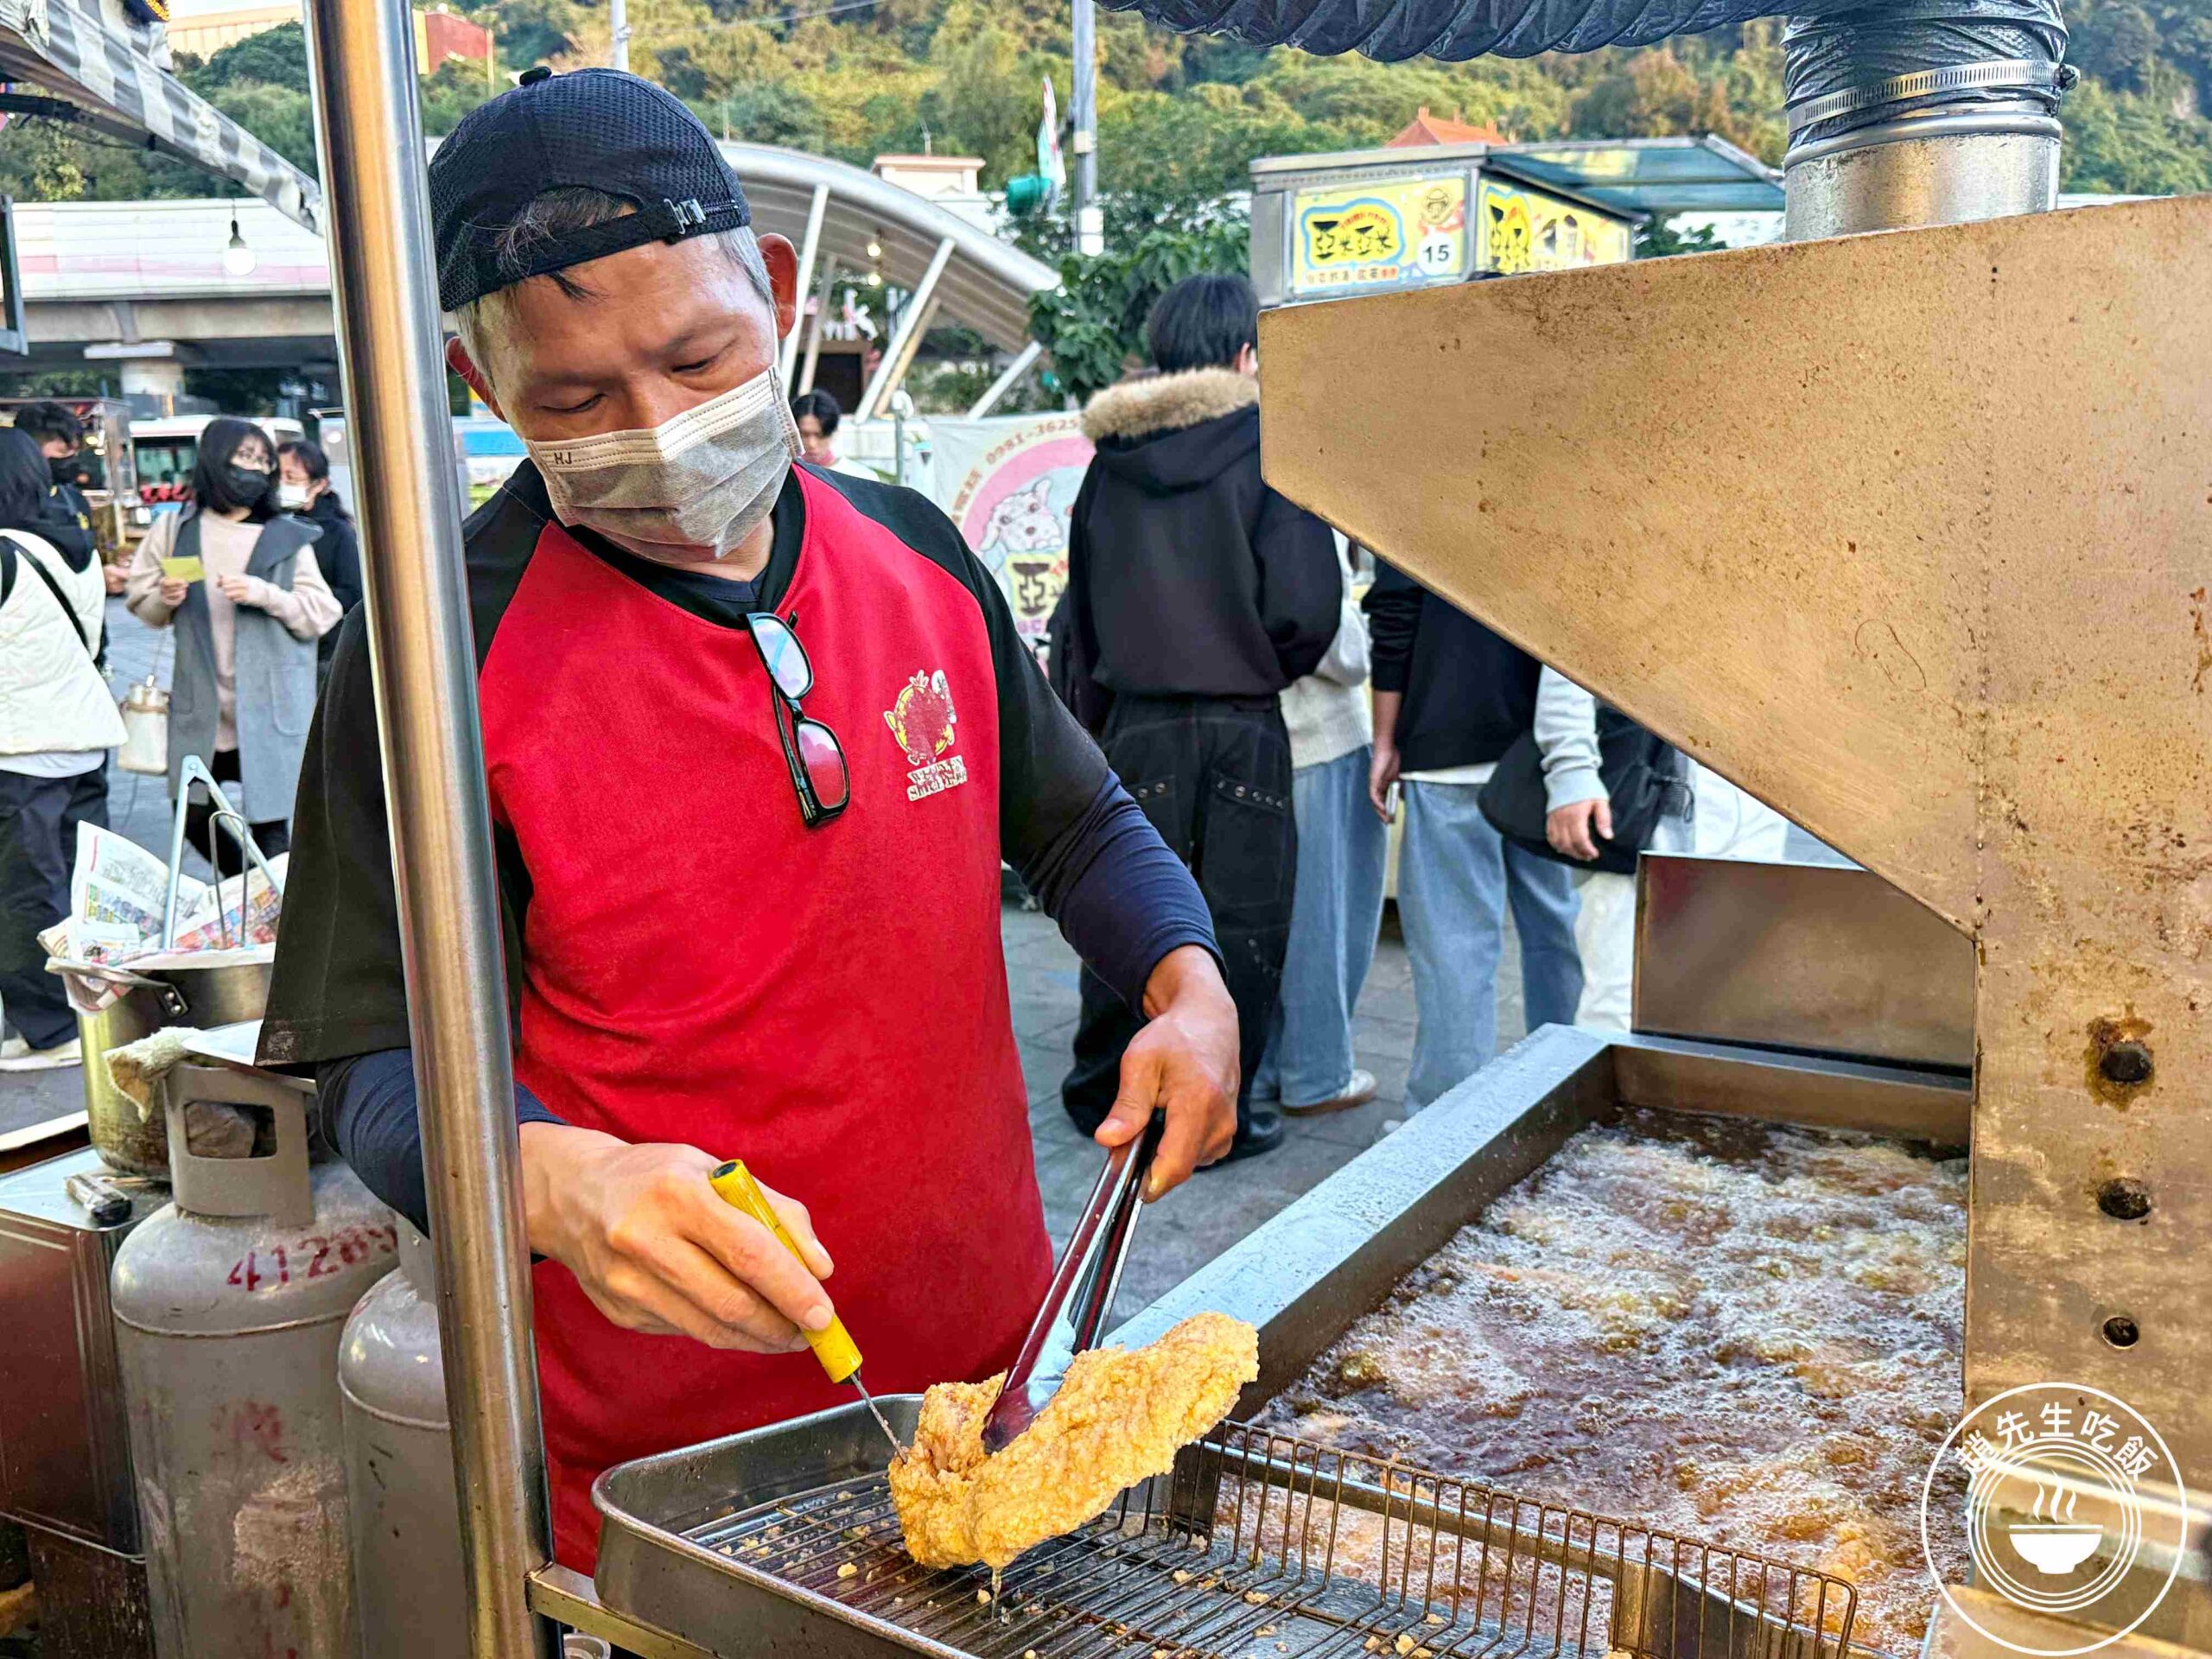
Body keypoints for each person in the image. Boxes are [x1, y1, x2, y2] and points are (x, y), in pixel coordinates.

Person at [257, 67, 1239, 1571]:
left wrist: (1187, 977)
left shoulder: (913, 554)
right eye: (573, 401)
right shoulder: (425, 655)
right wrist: (552, 1178)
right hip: (671, 1477)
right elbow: (367, 1057)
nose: (653, 434)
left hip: (991, 1379)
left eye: (699, 357)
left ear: (774, 293)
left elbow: (1079, 825)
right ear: (477, 386)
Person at [1055, 273, 1342, 1162]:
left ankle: (1111, 1098)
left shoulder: (1110, 466)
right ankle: (1226, 1112)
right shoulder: (1270, 449)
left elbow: (1079, 618)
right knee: (1244, 924)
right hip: (1242, 724)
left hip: (1133, 726)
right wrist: (1251, 664)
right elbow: (1306, 607)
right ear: (1245, 355)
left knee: (1130, 915)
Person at [1364, 563, 1582, 1108]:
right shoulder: (1570, 487)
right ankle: (1569, 1095)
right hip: (1550, 752)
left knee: (1455, 945)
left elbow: (1395, 613)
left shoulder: (1416, 486)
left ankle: (1446, 1123)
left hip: (1445, 739)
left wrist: (1385, 740)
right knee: (1557, 930)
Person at [125, 417, 340, 874]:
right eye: (245, 457)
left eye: (263, 461)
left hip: (271, 709)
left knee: (275, 827)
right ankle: (247, 889)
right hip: (201, 707)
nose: (255, 469)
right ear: (215, 459)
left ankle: (277, 921)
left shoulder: (283, 536)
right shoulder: (176, 531)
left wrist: (265, 594)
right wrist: (163, 597)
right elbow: (143, 605)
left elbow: (323, 612)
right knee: (194, 812)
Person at [1535, 667, 1789, 1028]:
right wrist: (1571, 768)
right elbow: (1566, 651)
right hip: (1644, 799)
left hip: (1755, 797)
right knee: (1620, 1001)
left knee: (1731, 992)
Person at [0, 427, 124, 1071]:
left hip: (21, 746)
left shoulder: (3, 553)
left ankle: (50, 1029)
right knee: (77, 887)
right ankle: (91, 1009)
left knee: (23, 891)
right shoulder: (72, 543)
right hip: (82, 737)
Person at [1249, 532, 1383, 1117]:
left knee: (1271, 918)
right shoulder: (1292, 498)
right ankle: (1318, 1073)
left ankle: (1268, 1067)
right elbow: (1342, 652)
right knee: (1330, 918)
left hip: (1248, 736)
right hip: (1321, 735)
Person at [276, 439, 364, 686]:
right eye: (276, 476)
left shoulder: (337, 532)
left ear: (319, 484)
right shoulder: (269, 525)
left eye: (291, 477)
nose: (281, 484)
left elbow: (353, 593)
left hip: (323, 653)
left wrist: (301, 595)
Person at [13, 402, 117, 600]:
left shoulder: (74, 500)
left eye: (75, 453)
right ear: (29, 451)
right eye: (62, 453)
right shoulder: (9, 503)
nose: (70, 460)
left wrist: (100, 575)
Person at [790, 386, 876, 479]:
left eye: (821, 436)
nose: (812, 444)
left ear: (834, 432)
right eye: (803, 435)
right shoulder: (783, 477)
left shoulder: (860, 477)